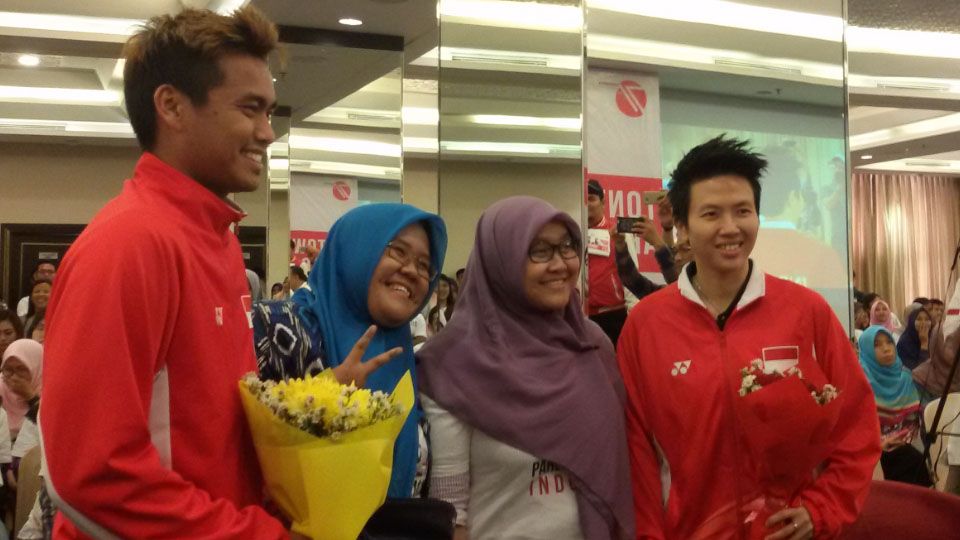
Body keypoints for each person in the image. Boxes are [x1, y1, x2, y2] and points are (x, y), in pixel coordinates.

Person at [40, 7, 297, 538]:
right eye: (250, 109)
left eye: (270, 112)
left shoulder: (219, 242)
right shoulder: (130, 243)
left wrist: (308, 412)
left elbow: (204, 428)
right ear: (173, 106)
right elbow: (91, 476)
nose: (267, 133)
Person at [618, 135, 880, 539]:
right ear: (683, 226)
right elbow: (637, 456)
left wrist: (821, 508)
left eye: (743, 211)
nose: (730, 228)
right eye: (711, 214)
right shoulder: (646, 326)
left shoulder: (806, 311)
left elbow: (857, 426)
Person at [418, 196, 634, 540]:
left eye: (567, 246)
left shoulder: (591, 345)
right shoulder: (454, 361)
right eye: (539, 250)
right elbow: (451, 511)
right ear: (501, 260)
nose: (560, 264)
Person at [255, 202, 447, 498]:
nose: (412, 271)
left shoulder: (408, 357)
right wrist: (327, 390)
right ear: (357, 249)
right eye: (398, 251)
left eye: (425, 265)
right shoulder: (277, 326)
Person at [857, 326, 931, 487]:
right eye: (877, 345)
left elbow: (912, 422)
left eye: (889, 342)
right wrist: (879, 443)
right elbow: (854, 426)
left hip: (899, 443)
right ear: (867, 349)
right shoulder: (859, 381)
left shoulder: (904, 377)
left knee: (914, 461)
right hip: (867, 449)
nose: (886, 349)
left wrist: (902, 437)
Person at [586, 179, 628, 345]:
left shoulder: (616, 231)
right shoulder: (573, 231)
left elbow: (630, 273)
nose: (587, 204)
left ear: (603, 203)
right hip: (582, 315)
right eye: (584, 199)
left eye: (591, 198)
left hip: (613, 315)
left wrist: (633, 314)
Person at [0, 339, 41, 441]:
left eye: (21, 369)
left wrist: (30, 396)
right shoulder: (1, 386)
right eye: (8, 369)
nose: (14, 376)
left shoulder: (52, 391)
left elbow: (48, 426)